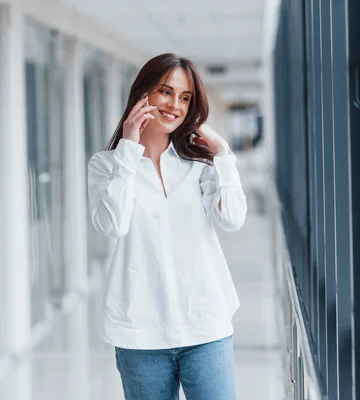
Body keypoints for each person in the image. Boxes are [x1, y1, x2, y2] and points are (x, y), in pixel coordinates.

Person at [87, 53, 247, 399]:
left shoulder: (200, 164)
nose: (175, 105)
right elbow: (111, 224)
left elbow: (232, 219)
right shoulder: (107, 165)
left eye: (185, 97)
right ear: (142, 93)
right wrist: (129, 148)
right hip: (140, 334)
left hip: (205, 326)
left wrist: (222, 153)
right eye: (165, 92)